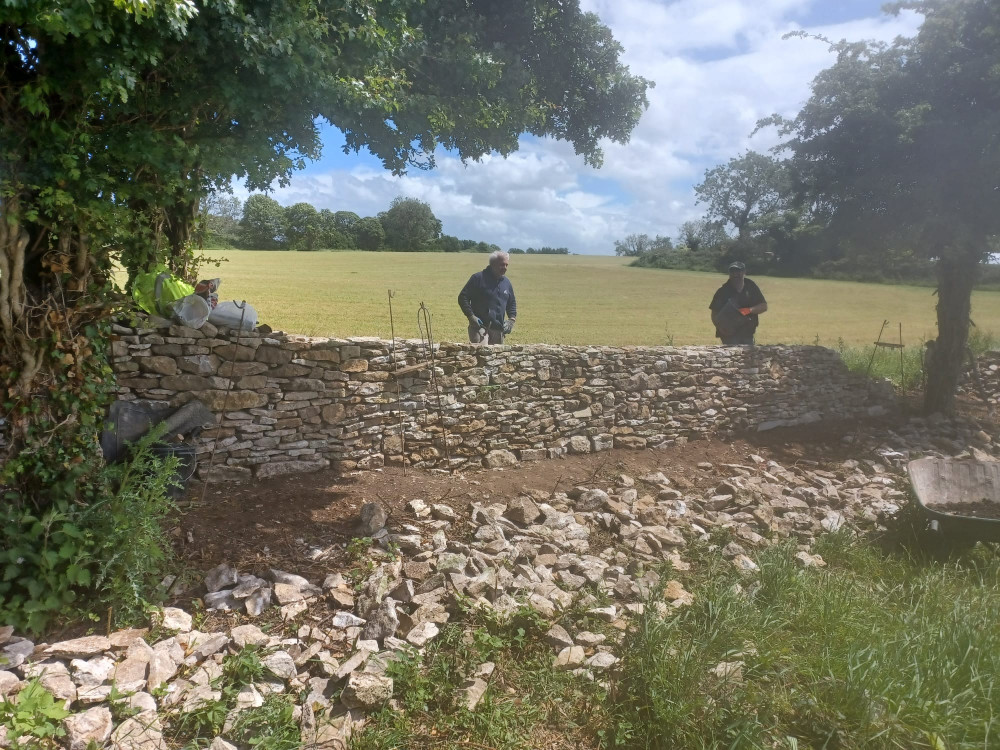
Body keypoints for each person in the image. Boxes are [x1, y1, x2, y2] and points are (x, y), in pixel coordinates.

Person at [458, 250, 517, 344]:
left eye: (507, 265)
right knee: (482, 355)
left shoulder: (507, 283)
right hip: (479, 328)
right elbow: (463, 297)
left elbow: (512, 303)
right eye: (502, 265)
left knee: (497, 357)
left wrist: (511, 320)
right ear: (493, 264)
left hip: (498, 329)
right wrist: (471, 316)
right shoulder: (478, 278)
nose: (505, 268)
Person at [709, 261, 767, 345]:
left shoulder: (751, 286)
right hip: (729, 334)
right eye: (732, 271)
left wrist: (749, 310)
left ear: (744, 272)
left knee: (748, 356)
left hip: (748, 333)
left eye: (738, 271)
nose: (735, 274)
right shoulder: (722, 291)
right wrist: (720, 327)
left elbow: (764, 306)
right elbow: (714, 313)